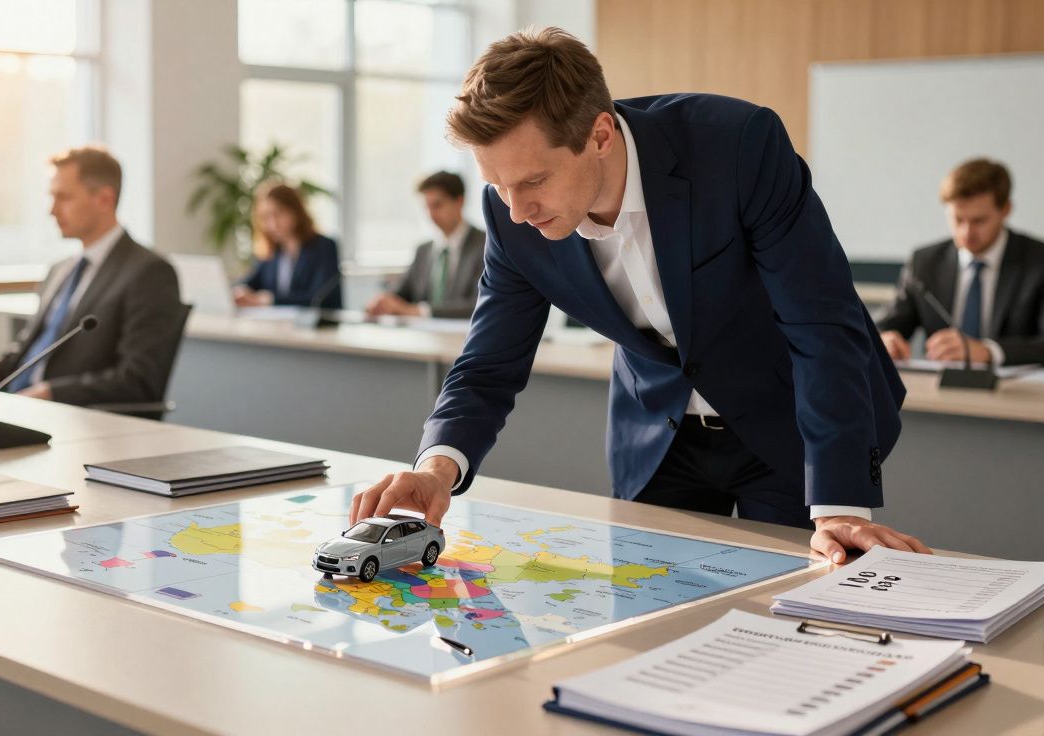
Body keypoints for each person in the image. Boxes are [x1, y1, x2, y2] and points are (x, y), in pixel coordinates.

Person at [349, 28, 931, 564]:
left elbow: (821, 323)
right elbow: (488, 363)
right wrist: (436, 470)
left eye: (532, 181)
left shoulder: (737, 148)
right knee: (652, 631)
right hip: (657, 439)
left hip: (790, 430)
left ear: (599, 135)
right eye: (497, 186)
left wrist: (839, 507)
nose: (517, 211)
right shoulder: (509, 218)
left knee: (789, 624)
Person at [0, 146, 183, 407]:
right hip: (17, 408)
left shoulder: (149, 273)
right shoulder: (59, 271)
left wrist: (50, 393)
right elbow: (24, 357)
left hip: (75, 423)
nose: (52, 210)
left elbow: (138, 379)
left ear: (105, 200)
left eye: (63, 198)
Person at [878, 159, 1044, 367]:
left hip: (1018, 395)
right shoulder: (924, 262)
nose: (967, 233)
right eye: (958, 219)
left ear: (1005, 210)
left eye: (979, 220)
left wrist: (988, 351)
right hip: (938, 394)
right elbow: (884, 326)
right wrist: (884, 339)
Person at [365, 171, 486, 319]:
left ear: (459, 202)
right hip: (425, 338)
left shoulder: (486, 245)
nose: (431, 214)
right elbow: (402, 293)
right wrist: (383, 302)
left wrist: (421, 312)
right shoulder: (423, 250)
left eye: (437, 205)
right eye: (427, 207)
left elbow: (480, 303)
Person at [233, 181, 342, 310]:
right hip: (277, 326)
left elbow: (318, 298)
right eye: (266, 217)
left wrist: (268, 300)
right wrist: (238, 291)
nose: (272, 224)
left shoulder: (324, 247)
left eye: (278, 214)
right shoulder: (271, 252)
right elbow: (250, 282)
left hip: (319, 327)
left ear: (295, 212)